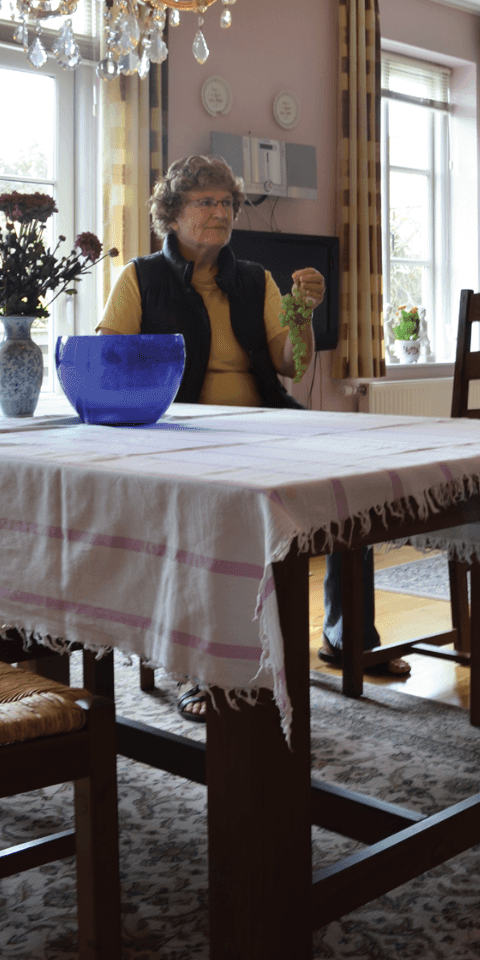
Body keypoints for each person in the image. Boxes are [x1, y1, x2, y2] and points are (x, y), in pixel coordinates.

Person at [98, 153, 331, 719]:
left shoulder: (254, 279)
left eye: (227, 202)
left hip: (261, 429)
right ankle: (198, 668)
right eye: (206, 202)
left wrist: (302, 314)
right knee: (206, 524)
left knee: (346, 479)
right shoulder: (140, 277)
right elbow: (108, 358)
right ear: (172, 213)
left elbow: (290, 365)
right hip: (178, 436)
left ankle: (347, 638)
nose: (221, 212)